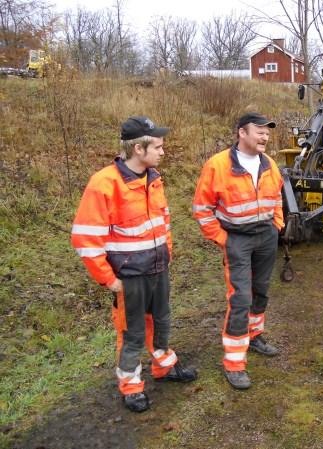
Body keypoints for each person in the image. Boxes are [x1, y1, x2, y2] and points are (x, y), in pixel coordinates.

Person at [71, 116, 197, 413]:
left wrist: (166, 254)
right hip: (129, 276)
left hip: (157, 270)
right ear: (138, 149)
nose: (163, 152)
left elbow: (162, 223)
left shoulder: (153, 179)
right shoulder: (104, 183)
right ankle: (131, 385)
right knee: (132, 333)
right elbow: (85, 238)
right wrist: (109, 280)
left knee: (162, 322)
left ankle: (164, 366)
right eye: (158, 146)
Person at [193, 112, 284, 390]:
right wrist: (223, 238)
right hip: (237, 240)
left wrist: (277, 224)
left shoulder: (270, 164)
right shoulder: (218, 165)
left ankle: (254, 336)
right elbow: (202, 209)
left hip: (266, 236)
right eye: (259, 131)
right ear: (241, 133)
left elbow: (278, 196)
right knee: (241, 297)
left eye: (267, 132)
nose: (265, 136)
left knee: (261, 290)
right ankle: (234, 363)